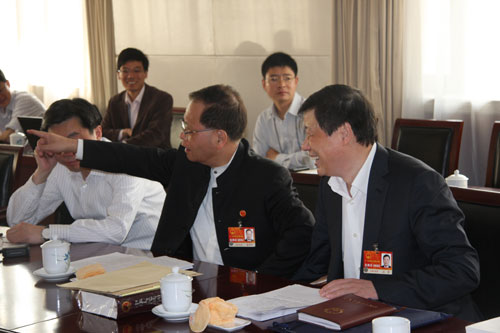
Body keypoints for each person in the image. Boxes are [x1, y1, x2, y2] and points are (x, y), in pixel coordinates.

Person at [30, 84, 314, 279]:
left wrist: (262, 277)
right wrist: (74, 147)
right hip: (182, 281)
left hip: (242, 290)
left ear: (219, 137)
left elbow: (301, 233)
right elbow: (130, 157)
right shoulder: (186, 164)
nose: (182, 137)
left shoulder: (266, 177)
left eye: (190, 130)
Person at [293, 84, 481, 321]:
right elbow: (316, 260)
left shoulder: (417, 183)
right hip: (355, 316)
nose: (305, 145)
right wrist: (276, 296)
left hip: (423, 319)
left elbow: (461, 270)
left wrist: (377, 289)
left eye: (310, 133)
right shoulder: (330, 186)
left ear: (344, 133)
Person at [6, 98, 166, 250]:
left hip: (148, 256)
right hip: (99, 254)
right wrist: (41, 173)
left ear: (97, 132)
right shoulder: (60, 167)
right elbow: (17, 222)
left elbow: (116, 230)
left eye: (72, 141)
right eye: (58, 142)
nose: (66, 150)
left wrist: (46, 233)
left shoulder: (125, 165)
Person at [101, 48, 173, 149]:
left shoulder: (162, 99)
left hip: (154, 160)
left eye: (136, 70)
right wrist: (122, 132)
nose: (130, 76)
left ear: (145, 73)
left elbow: (156, 134)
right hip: (122, 162)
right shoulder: (114, 102)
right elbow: (102, 132)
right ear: (118, 74)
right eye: (125, 71)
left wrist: (124, 145)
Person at [253, 52, 314, 171]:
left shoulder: (311, 112)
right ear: (264, 84)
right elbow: (258, 161)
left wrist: (276, 158)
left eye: (287, 78)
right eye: (274, 79)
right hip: (275, 184)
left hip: (311, 183)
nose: (281, 85)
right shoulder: (264, 119)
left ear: (296, 81)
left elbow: (312, 158)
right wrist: (297, 159)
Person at [0, 69, 45, 143]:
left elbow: (8, 135)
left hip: (48, 149)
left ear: (7, 84)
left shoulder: (24, 99)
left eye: (0, 90)